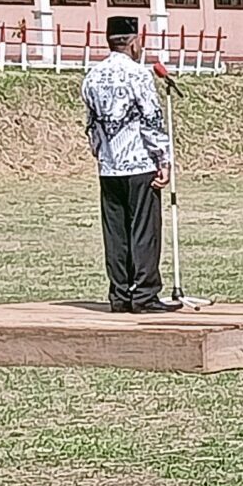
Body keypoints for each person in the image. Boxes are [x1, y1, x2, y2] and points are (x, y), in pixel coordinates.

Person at [83, 16, 177, 312]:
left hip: (109, 165)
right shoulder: (138, 75)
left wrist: (100, 153)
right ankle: (145, 294)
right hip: (139, 163)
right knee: (144, 231)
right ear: (134, 42)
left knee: (115, 233)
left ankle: (120, 295)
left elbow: (91, 123)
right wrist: (164, 159)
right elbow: (151, 120)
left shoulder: (92, 76)